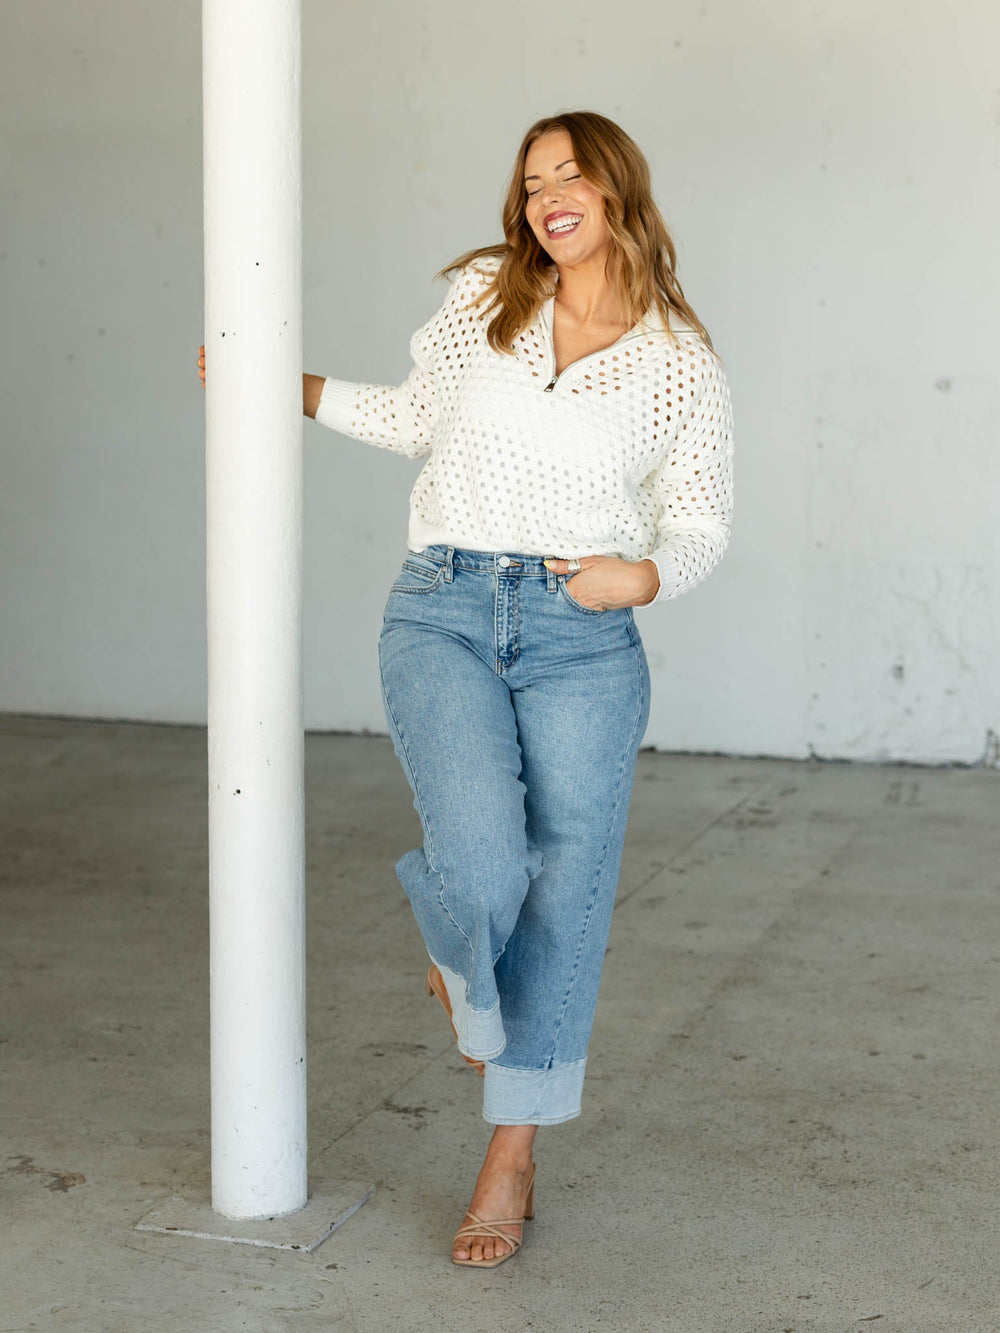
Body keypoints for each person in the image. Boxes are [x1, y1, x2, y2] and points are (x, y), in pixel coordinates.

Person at [198, 109, 733, 1268]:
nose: (548, 193)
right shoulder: (486, 292)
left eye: (570, 174)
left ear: (616, 190)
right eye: (533, 177)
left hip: (582, 639)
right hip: (442, 604)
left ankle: (509, 1158)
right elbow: (409, 420)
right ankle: (466, 974)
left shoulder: (678, 358)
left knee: (568, 893)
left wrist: (635, 573)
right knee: (483, 865)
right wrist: (275, 383)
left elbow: (697, 526)